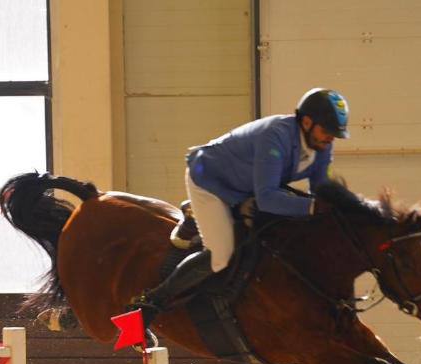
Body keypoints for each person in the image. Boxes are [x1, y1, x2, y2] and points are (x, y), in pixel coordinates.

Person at [130, 87, 350, 328]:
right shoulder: (275, 137)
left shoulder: (321, 146)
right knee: (221, 255)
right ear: (307, 122)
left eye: (334, 134)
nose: (331, 138)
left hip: (246, 188)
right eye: (327, 131)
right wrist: (313, 207)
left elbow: (320, 190)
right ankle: (152, 302)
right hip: (209, 182)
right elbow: (268, 199)